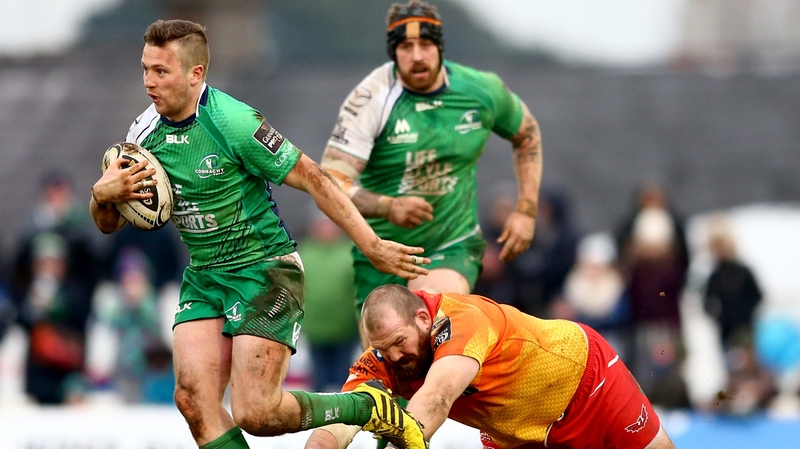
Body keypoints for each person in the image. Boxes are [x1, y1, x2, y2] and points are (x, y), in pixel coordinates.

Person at [89, 19, 430, 449]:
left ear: (196, 74)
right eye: (145, 69)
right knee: (193, 402)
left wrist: (372, 244)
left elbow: (316, 178)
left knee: (256, 412)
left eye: (161, 72)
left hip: (264, 272)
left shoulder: (234, 122)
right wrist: (103, 196)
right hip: (205, 276)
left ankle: (365, 407)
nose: (149, 82)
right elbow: (108, 223)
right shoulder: (141, 136)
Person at [320, 0, 543, 345]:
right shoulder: (370, 99)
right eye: (406, 47)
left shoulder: (481, 90)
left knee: (428, 328)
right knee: (388, 364)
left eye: (426, 45)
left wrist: (526, 209)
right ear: (394, 53)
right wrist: (387, 206)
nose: (418, 56)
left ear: (439, 46)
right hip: (382, 251)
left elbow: (526, 135)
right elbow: (329, 183)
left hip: (450, 243)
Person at [304, 285, 677, 449]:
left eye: (400, 342)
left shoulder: (461, 320)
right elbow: (340, 419)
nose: (396, 358)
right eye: (384, 351)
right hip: (513, 435)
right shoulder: (385, 357)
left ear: (423, 318)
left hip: (587, 383)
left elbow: (435, 398)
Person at [296, 211, 361, 392]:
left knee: (344, 377)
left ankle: (343, 416)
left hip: (345, 330)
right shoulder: (303, 254)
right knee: (318, 377)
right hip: (314, 329)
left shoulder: (350, 253)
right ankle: (318, 417)